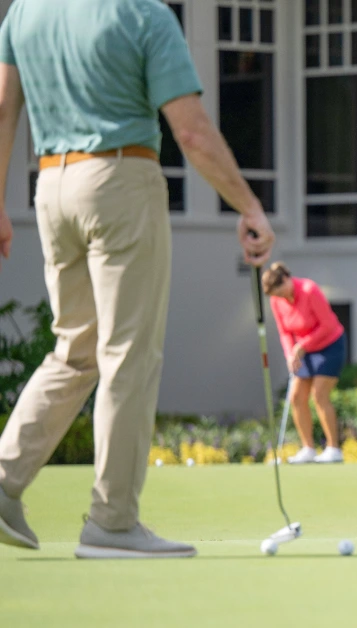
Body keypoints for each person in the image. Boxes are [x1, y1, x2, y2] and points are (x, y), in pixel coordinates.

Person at [0, 0, 275, 558]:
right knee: (128, 353)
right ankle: (114, 520)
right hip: (120, 182)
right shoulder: (143, 14)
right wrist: (248, 205)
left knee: (74, 351)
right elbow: (192, 133)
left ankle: (4, 478)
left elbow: (3, 110)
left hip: (51, 188)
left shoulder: (24, 12)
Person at [261, 262, 347, 464]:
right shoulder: (276, 301)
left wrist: (303, 345)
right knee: (297, 397)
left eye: (279, 290)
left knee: (319, 394)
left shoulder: (309, 290)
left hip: (329, 345)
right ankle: (308, 448)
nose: (279, 296)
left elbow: (327, 325)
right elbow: (284, 332)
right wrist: (290, 354)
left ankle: (333, 449)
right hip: (303, 350)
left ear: (285, 280)